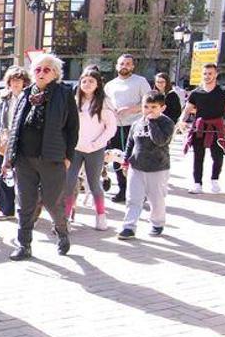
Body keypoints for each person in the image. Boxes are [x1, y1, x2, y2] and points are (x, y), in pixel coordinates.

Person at [3, 53, 79, 261]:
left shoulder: (64, 94)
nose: (41, 73)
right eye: (37, 69)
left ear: (55, 73)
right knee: (25, 203)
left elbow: (73, 129)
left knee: (52, 202)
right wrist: (9, 157)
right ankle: (24, 245)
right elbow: (15, 127)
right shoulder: (26, 94)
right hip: (24, 158)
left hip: (52, 158)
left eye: (47, 70)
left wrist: (68, 157)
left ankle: (62, 232)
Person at [64, 68, 117, 231]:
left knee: (94, 184)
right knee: (68, 183)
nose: (87, 84)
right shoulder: (73, 101)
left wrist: (97, 143)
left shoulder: (104, 102)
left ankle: (101, 216)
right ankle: (64, 218)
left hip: (95, 149)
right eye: (84, 81)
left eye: (91, 81)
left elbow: (111, 128)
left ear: (98, 84)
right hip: (75, 149)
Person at [118, 91, 175, 239]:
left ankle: (157, 223)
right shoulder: (137, 123)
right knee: (133, 198)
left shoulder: (166, 123)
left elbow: (160, 141)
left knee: (156, 199)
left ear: (162, 108)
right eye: (146, 106)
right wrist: (125, 161)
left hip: (157, 168)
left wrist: (152, 123)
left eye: (154, 107)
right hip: (137, 167)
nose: (149, 110)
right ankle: (129, 226)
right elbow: (131, 143)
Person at [177, 63, 225, 194]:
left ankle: (214, 180)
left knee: (218, 156)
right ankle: (197, 183)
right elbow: (187, 110)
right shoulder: (196, 92)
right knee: (198, 156)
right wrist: (181, 121)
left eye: (210, 73)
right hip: (200, 127)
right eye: (205, 73)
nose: (207, 76)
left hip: (217, 127)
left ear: (216, 74)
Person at [104, 54, 151, 202]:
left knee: (135, 159)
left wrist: (131, 109)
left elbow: (149, 103)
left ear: (132, 66)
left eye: (128, 63)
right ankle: (123, 189)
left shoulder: (141, 81)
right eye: (122, 63)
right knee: (117, 158)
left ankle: (139, 191)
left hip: (136, 126)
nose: (124, 66)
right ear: (117, 66)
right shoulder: (110, 85)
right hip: (116, 126)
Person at [0, 65, 31, 220]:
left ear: (24, 82)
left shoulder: (28, 99)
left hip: (22, 143)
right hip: (4, 143)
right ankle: (7, 209)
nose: (15, 83)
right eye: (13, 80)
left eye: (19, 80)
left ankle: (26, 210)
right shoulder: (4, 99)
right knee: (2, 174)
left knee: (22, 177)